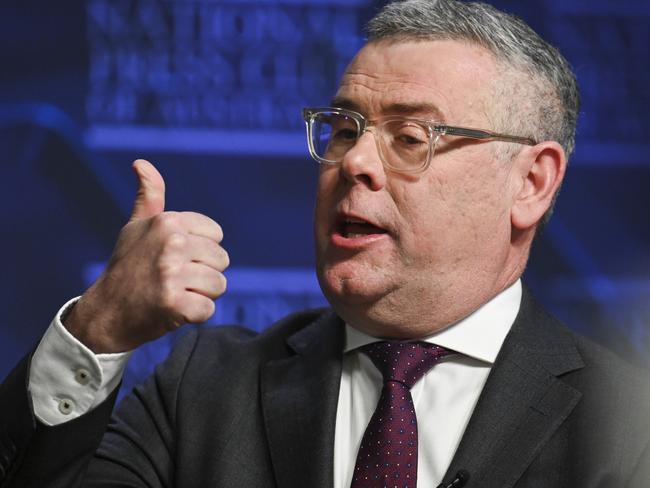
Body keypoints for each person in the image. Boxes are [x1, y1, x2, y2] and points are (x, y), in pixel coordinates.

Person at [1, 0, 649, 486]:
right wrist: (100, 328)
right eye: (343, 130)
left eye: (410, 136)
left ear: (531, 183)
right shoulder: (201, 389)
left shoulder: (629, 433)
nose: (355, 162)